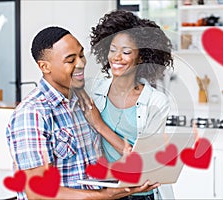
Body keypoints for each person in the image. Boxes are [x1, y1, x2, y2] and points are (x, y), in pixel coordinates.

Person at [5, 26, 158, 200]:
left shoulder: (83, 102)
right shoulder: (32, 115)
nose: (81, 63)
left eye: (81, 55)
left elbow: (89, 169)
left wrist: (130, 181)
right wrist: (107, 195)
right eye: (71, 60)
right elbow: (38, 192)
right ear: (45, 67)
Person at [76, 10, 174, 200]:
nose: (117, 57)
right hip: (105, 192)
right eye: (112, 50)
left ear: (142, 57)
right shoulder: (92, 89)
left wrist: (99, 125)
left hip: (142, 194)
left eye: (126, 52)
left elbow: (143, 160)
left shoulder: (156, 102)